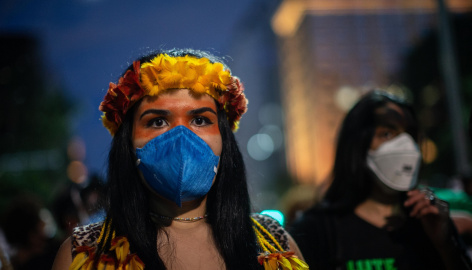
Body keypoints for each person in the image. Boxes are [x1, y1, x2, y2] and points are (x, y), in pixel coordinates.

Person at [52, 48, 308, 270]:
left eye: (200, 120)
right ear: (128, 144)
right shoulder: (84, 254)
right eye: (158, 121)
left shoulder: (274, 244)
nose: (181, 138)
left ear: (224, 140)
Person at [290, 90, 472, 269]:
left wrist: (446, 244)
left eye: (410, 134)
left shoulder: (430, 222)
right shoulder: (317, 230)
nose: (406, 146)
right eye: (387, 134)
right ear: (356, 144)